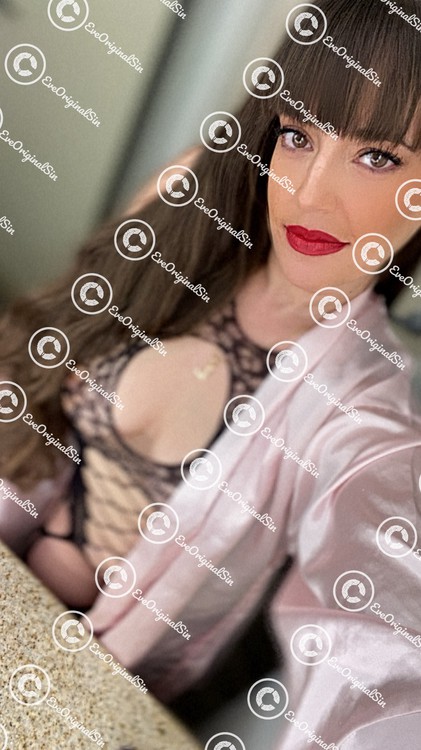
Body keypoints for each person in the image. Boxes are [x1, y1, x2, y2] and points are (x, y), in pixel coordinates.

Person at [1, 0, 421, 746]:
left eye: (379, 156)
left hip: (77, 701)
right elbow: (44, 345)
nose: (308, 192)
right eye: (298, 135)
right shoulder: (188, 211)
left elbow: (375, 657)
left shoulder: (369, 417)